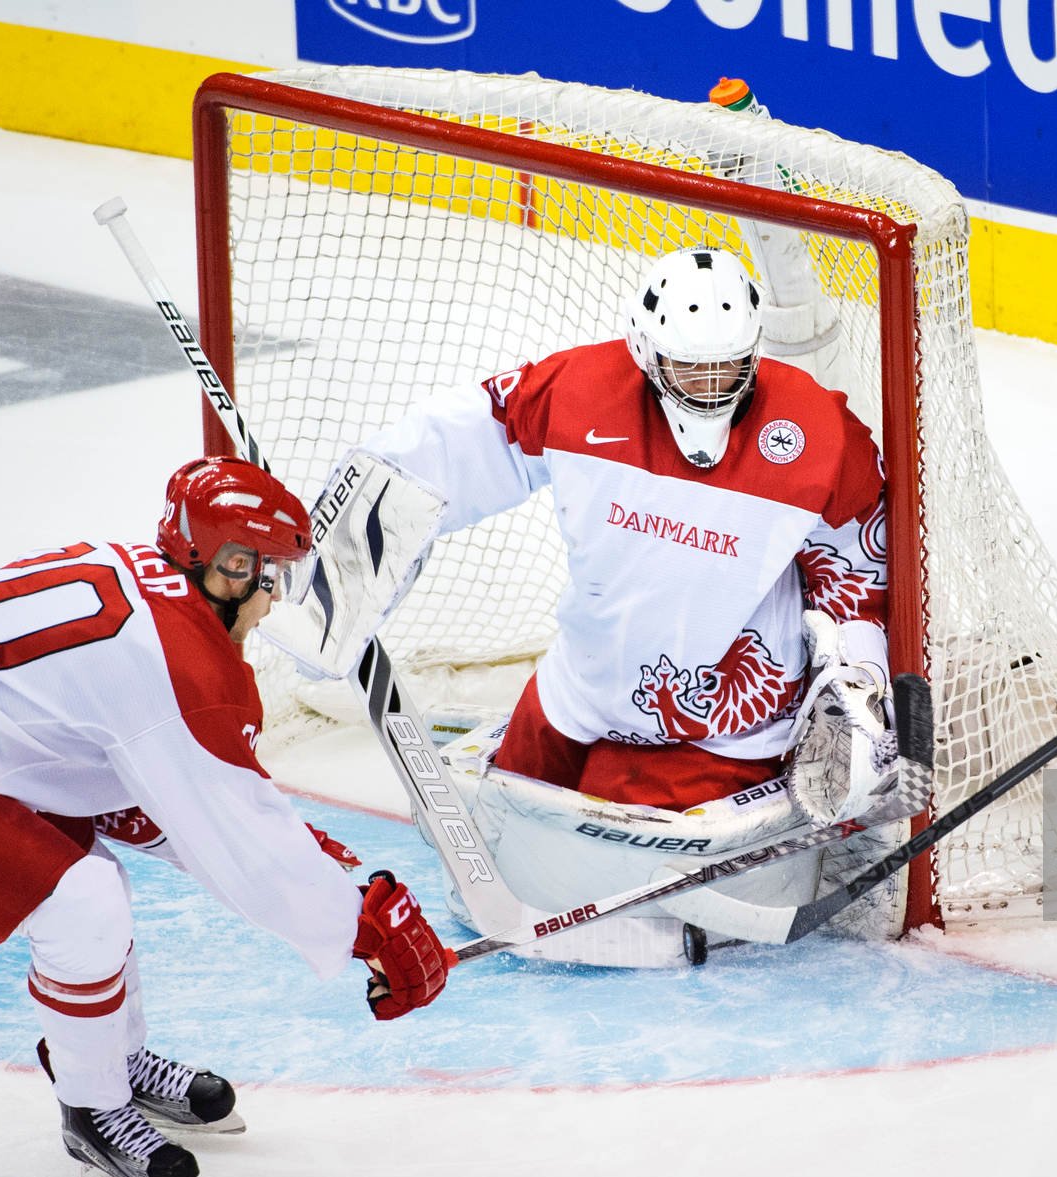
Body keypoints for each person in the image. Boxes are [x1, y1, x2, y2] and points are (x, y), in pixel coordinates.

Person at [283, 246, 892, 966]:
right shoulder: (578, 390)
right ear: (644, 349)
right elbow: (462, 439)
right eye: (686, 366)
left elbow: (857, 561)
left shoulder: (817, 433)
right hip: (581, 687)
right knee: (505, 824)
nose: (706, 384)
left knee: (589, 882)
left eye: (726, 366)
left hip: (711, 721)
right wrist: (357, 534)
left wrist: (856, 675)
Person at [0, 458, 453, 1177]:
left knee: (92, 885)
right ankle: (93, 1109)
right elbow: (246, 850)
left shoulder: (135, 579)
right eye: (274, 577)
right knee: (82, 903)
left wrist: (348, 890)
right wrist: (364, 923)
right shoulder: (184, 671)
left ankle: (111, 1062)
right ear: (232, 569)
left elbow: (171, 804)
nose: (276, 598)